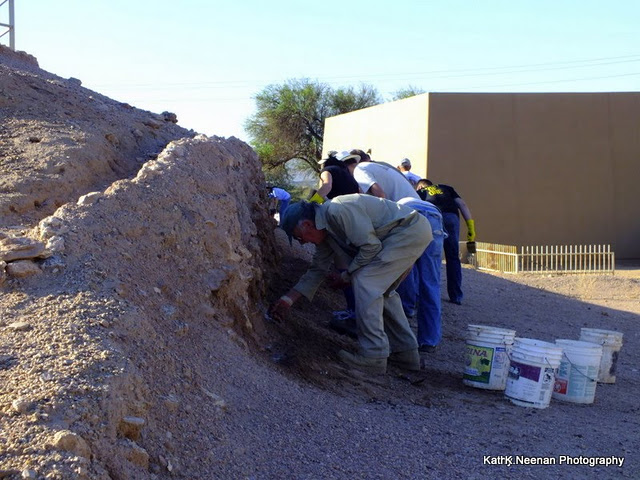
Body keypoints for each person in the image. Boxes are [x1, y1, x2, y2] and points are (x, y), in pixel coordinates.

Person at [269, 194, 433, 375]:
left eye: (299, 237)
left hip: (408, 231)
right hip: (405, 234)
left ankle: (373, 357)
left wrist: (346, 276)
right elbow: (317, 270)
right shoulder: (325, 233)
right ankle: (406, 354)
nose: (302, 242)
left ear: (307, 225)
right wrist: (287, 300)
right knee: (381, 291)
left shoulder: (338, 210)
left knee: (365, 282)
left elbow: (371, 247)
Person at [309, 150, 361, 331]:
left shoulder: (328, 170)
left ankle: (353, 312)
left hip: (340, 221)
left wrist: (312, 202)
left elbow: (326, 187)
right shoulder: (348, 175)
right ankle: (360, 311)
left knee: (343, 266)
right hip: (357, 220)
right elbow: (361, 193)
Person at [395, 197, 446, 352]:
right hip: (435, 215)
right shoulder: (404, 186)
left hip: (409, 213)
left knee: (402, 271)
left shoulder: (385, 198)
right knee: (430, 283)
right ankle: (429, 340)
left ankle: (401, 329)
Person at [417, 179, 475, 305]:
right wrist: (470, 227)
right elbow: (462, 204)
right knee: (453, 257)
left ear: (420, 186)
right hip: (451, 217)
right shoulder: (447, 188)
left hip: (432, 216)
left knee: (430, 257)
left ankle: (429, 294)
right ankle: (456, 296)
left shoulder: (420, 192)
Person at [349, 158, 419, 202]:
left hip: (410, 211)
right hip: (420, 208)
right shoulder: (375, 166)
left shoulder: (359, 170)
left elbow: (380, 196)